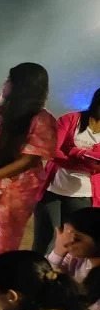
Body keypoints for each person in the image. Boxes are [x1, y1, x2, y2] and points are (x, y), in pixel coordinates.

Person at [0, 63, 57, 300]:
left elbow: (30, 159)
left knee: (5, 238)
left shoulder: (41, 120)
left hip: (17, 190)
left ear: (22, 86)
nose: (4, 84)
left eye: (9, 80)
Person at [33, 87, 100, 253]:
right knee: (45, 237)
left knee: (76, 241)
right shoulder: (71, 119)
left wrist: (74, 151)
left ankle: (63, 269)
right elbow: (53, 149)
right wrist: (82, 162)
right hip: (53, 189)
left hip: (83, 193)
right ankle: (37, 268)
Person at [46, 207, 100, 282]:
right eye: (65, 235)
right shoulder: (74, 258)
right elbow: (41, 277)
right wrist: (58, 253)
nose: (66, 243)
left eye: (77, 239)